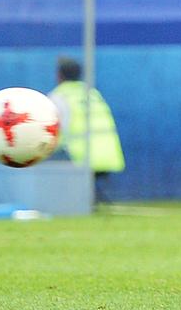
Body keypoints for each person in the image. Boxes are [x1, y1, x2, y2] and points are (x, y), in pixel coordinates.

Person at [48, 56, 125, 202]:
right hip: (110, 157)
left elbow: (55, 131)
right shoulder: (92, 93)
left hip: (81, 159)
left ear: (59, 76)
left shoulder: (58, 97)